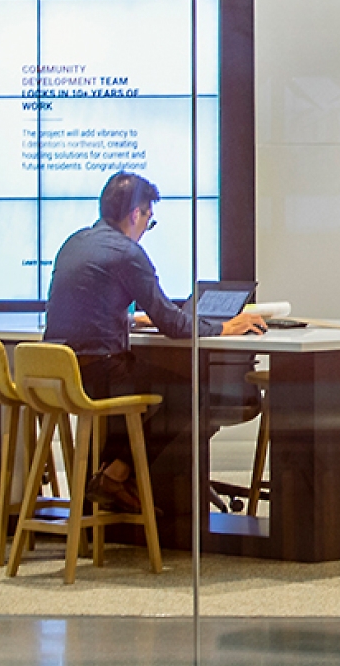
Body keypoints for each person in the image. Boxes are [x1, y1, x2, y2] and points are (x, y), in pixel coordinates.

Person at [42, 171, 265, 513]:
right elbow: (174, 324)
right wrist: (225, 327)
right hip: (98, 372)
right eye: (149, 218)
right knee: (192, 395)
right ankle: (117, 474)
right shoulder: (127, 253)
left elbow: (86, 307)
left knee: (153, 393)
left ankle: (113, 474)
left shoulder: (75, 241)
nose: (147, 227)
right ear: (136, 214)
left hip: (59, 374)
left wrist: (130, 319)